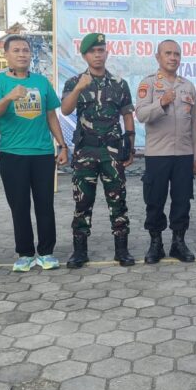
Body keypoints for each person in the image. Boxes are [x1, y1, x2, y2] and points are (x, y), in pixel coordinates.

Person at [0, 35, 69, 272]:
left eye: (25, 50)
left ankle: (46, 251)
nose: (22, 54)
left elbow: (51, 115)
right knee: (19, 205)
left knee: (45, 204)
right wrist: (10, 96)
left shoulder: (42, 82)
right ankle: (24, 253)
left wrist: (62, 145)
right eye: (16, 50)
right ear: (6, 54)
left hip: (42, 153)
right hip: (13, 154)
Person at [61, 33, 136, 268]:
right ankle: (79, 251)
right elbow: (65, 110)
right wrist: (78, 90)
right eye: (93, 51)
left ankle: (121, 250)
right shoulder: (74, 82)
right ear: (85, 55)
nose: (98, 55)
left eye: (101, 50)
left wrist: (130, 146)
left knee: (118, 200)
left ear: (106, 53)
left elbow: (127, 115)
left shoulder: (119, 84)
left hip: (112, 152)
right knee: (83, 201)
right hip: (86, 150)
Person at [135, 40, 196, 264]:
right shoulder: (149, 84)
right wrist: (161, 103)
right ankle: (156, 244)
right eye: (168, 53)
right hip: (157, 154)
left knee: (182, 200)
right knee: (155, 200)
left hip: (183, 154)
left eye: (177, 54)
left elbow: (195, 124)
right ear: (158, 57)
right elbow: (142, 115)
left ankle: (178, 242)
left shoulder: (188, 86)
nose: (173, 58)